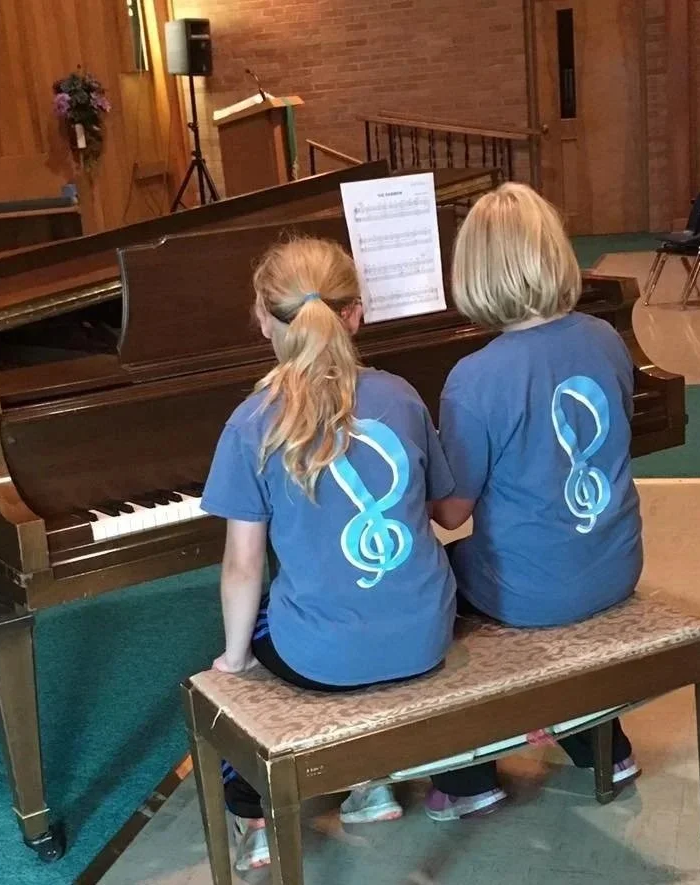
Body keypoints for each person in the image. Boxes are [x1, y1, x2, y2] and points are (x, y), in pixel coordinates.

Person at [200, 237, 504, 873]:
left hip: (322, 660)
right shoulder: (400, 395)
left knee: (247, 652)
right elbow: (432, 508)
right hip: (428, 639)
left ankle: (252, 817)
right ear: (356, 315)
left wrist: (232, 663)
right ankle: (372, 784)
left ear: (263, 320)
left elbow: (243, 567)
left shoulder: (252, 421)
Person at [431, 182, 642, 794]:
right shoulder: (605, 338)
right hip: (616, 561)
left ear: (476, 272)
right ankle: (605, 743)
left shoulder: (475, 378)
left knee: (431, 584)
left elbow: (451, 513)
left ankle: (468, 775)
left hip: (530, 592)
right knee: (541, 551)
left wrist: (413, 471)